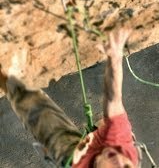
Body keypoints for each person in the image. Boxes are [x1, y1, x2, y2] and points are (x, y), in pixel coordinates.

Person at [0, 29, 138, 167]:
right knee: (110, 125)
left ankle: (5, 76)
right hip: (108, 143)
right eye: (126, 166)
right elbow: (114, 102)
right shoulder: (123, 149)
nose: (119, 159)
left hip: (75, 159)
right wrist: (115, 58)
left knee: (37, 111)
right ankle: (99, 133)